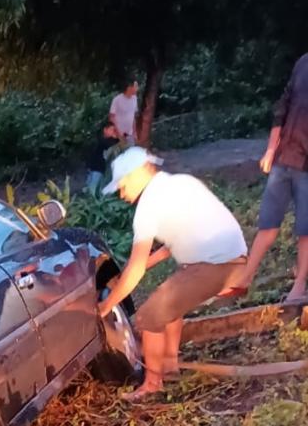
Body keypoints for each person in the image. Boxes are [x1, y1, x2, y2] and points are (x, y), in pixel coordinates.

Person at [98, 147, 247, 401]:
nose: (122, 194)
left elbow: (134, 269)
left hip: (215, 268)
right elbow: (172, 244)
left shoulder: (148, 206)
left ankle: (152, 384)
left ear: (139, 173)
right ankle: (170, 366)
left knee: (148, 316)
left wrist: (106, 306)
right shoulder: (181, 183)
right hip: (237, 259)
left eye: (122, 186)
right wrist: (142, 264)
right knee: (170, 300)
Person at [224, 53, 308, 302]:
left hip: (306, 168)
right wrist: (271, 149)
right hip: (284, 158)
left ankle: (300, 285)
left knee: (305, 230)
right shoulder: (303, 62)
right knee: (268, 224)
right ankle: (245, 277)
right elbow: (283, 106)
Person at [84, 121, 126, 194]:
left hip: (98, 168)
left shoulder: (110, 141)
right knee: (91, 190)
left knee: (92, 189)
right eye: (112, 130)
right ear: (105, 129)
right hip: (94, 168)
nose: (113, 132)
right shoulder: (100, 139)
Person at [109, 80, 139, 145]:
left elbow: (133, 116)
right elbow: (111, 118)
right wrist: (119, 134)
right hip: (118, 135)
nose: (137, 88)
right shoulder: (117, 100)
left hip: (130, 135)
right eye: (135, 86)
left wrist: (134, 133)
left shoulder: (135, 99)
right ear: (129, 87)